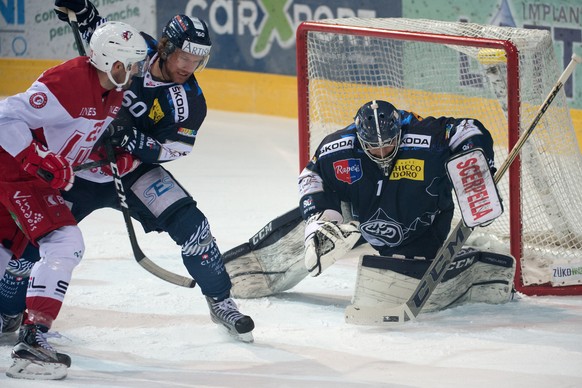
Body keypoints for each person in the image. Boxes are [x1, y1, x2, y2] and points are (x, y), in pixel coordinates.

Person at [1, 1, 254, 378]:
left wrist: (133, 147)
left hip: (132, 171)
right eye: (184, 55)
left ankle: (221, 301)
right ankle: (9, 312)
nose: (188, 66)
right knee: (27, 248)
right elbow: (96, 31)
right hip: (78, 168)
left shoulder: (189, 102)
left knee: (195, 228)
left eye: (196, 60)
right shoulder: (135, 51)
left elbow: (176, 149)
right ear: (166, 47)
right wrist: (81, 8)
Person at [0, 18, 147, 380]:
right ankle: (33, 340)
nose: (130, 72)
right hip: (16, 173)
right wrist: (38, 159)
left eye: (133, 65)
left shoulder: (113, 93)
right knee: (65, 243)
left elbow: (74, 143)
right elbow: (4, 117)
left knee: (5, 251)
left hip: (28, 178)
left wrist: (108, 157)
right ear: (104, 59)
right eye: (124, 65)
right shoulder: (68, 81)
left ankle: (29, 334)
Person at [298, 99, 497, 274]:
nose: (382, 152)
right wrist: (318, 217)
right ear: (360, 139)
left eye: (388, 143)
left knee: (417, 251)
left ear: (398, 132)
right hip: (365, 218)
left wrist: (477, 173)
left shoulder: (426, 134)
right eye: (374, 146)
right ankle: (332, 228)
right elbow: (310, 174)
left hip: (425, 222)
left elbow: (468, 128)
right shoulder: (338, 146)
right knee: (329, 206)